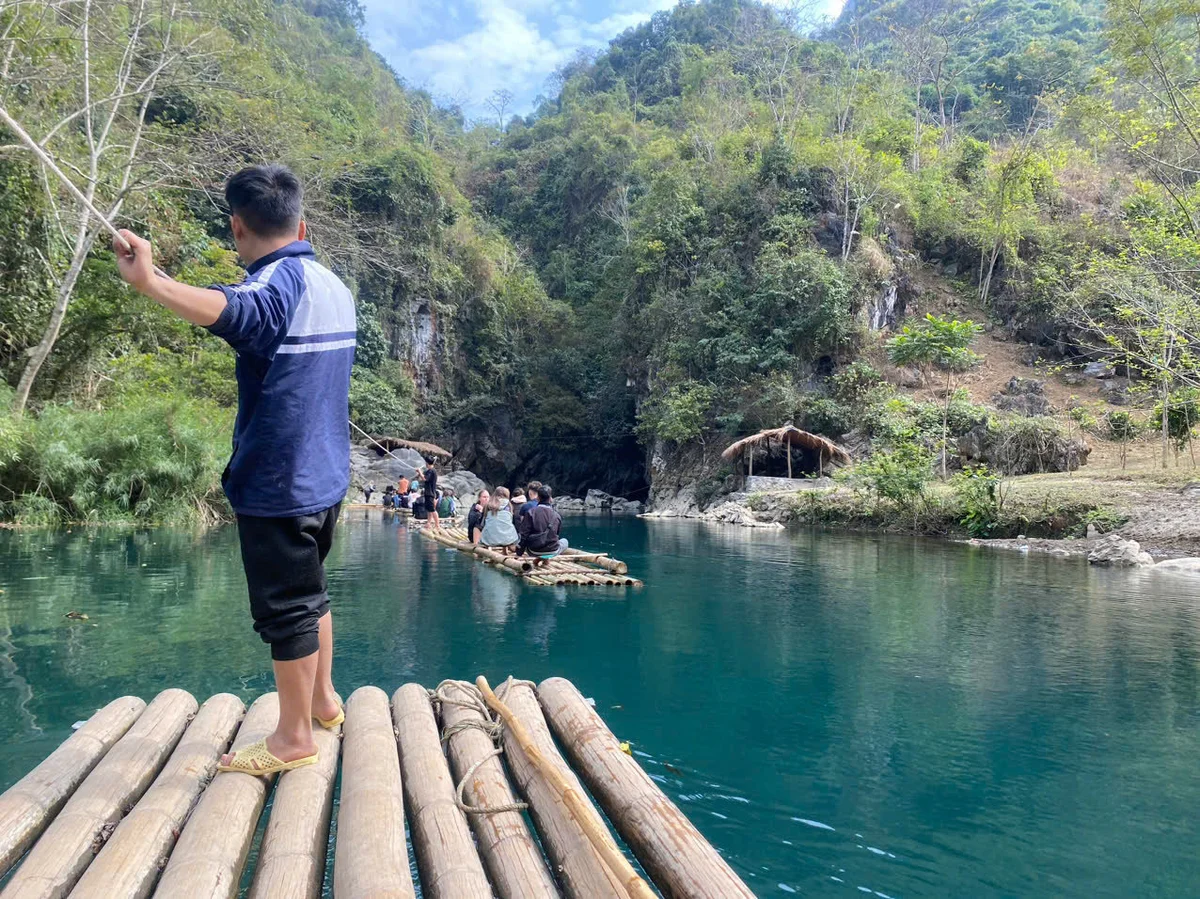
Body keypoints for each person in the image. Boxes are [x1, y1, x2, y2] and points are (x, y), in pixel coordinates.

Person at [113, 164, 351, 776]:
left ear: (237, 227)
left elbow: (236, 310)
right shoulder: (331, 283)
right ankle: (323, 702)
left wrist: (149, 284)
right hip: (326, 481)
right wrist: (159, 276)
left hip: (279, 487)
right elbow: (243, 311)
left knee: (286, 611)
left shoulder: (274, 289)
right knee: (311, 593)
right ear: (301, 223)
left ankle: (294, 737)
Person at [518, 484, 568, 558]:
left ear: (538, 498)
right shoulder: (556, 515)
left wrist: (519, 553)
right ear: (550, 498)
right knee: (565, 541)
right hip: (552, 550)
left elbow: (524, 535)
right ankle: (546, 559)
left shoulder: (531, 512)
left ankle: (541, 558)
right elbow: (556, 534)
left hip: (533, 551)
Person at [419, 460, 439, 529]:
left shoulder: (431, 471)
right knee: (429, 509)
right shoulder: (430, 470)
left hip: (430, 493)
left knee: (432, 509)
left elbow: (425, 479)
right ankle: (429, 523)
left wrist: (419, 472)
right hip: (429, 492)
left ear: (427, 463)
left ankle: (437, 525)